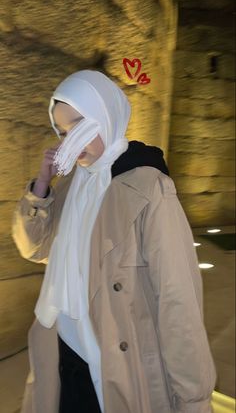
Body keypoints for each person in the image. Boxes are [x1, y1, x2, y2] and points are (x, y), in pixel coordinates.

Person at [12, 70, 216, 413]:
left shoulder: (149, 188)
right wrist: (41, 188)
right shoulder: (74, 184)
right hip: (62, 353)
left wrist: (193, 397)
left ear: (106, 115)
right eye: (62, 132)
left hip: (116, 362)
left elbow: (178, 299)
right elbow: (35, 248)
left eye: (79, 125)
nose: (70, 140)